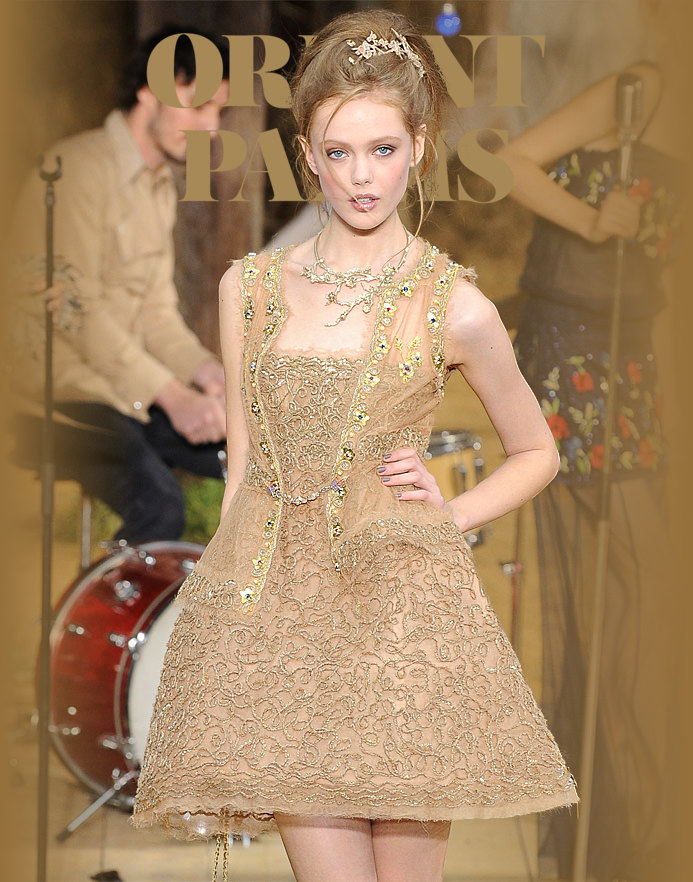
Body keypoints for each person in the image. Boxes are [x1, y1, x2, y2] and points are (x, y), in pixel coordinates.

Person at [132, 11, 578, 882]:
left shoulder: (455, 305)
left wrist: (449, 513)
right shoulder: (248, 288)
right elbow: (245, 469)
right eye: (338, 152)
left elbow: (536, 451)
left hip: (403, 619)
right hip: (288, 620)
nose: (360, 175)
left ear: (418, 146)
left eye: (381, 149)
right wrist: (230, 617)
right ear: (306, 154)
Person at [499, 60, 680, 880]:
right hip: (572, 356)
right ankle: (614, 819)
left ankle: (627, 817)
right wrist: (592, 219)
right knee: (621, 591)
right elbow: (512, 162)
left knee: (631, 603)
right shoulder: (641, 87)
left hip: (634, 362)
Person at [10, 27, 230, 544]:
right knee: (160, 505)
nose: (212, 126)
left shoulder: (158, 187)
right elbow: (77, 314)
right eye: (200, 105)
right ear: (149, 90)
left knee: (253, 459)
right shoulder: (74, 170)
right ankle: (101, 600)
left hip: (126, 393)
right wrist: (173, 396)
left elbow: (157, 315)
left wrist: (210, 374)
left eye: (219, 111)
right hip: (54, 396)